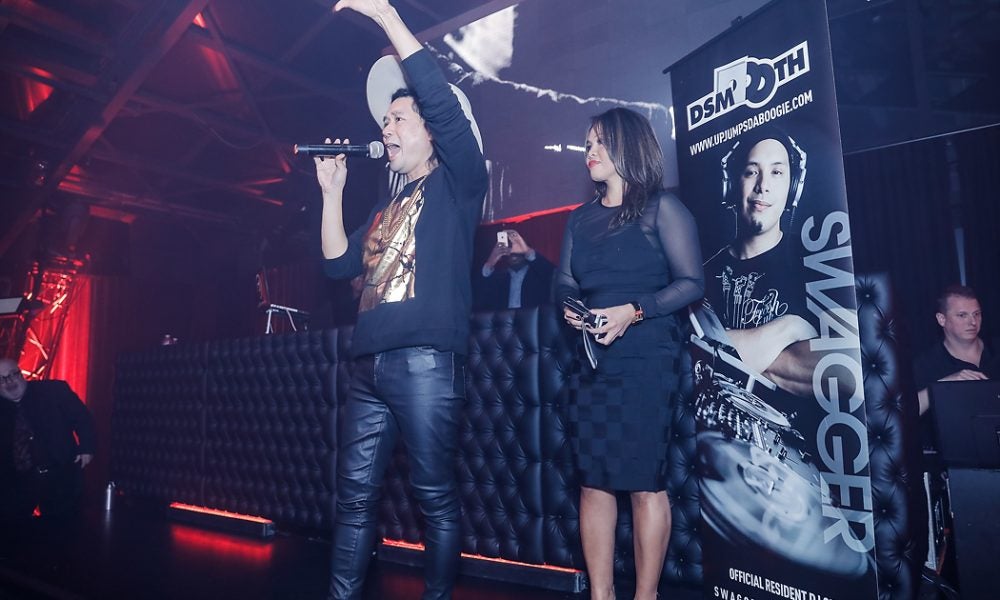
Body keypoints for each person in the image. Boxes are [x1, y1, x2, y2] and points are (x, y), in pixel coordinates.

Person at [316, 1, 488, 598]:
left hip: (426, 364)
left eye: (397, 118)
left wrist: (385, 15)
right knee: (354, 498)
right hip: (368, 367)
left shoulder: (458, 183)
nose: (384, 128)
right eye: (383, 120)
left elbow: (440, 102)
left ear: (431, 131)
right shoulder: (384, 208)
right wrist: (332, 194)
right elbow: (338, 265)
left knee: (434, 498)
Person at [554, 108, 704, 600]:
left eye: (600, 142)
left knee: (644, 481)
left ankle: (645, 596)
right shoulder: (580, 219)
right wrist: (571, 307)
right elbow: (564, 281)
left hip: (646, 358)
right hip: (591, 360)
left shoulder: (662, 209)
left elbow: (691, 283)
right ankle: (601, 595)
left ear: (628, 145)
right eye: (587, 144)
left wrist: (634, 311)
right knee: (593, 479)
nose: (590, 151)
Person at [702, 127, 818, 395]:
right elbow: (700, 362)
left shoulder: (814, 262)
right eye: (751, 171)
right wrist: (790, 328)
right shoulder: (703, 275)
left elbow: (842, 369)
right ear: (732, 185)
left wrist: (739, 354)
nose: (762, 185)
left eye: (776, 172)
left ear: (793, 187)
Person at [0, 358, 96, 522]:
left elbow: (82, 417)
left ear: (21, 374)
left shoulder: (53, 391)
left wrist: (87, 447)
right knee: (13, 531)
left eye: (12, 375)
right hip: (16, 483)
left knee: (63, 530)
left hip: (60, 476)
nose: (9, 382)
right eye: (2, 379)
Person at [913, 285, 996, 418]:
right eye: (962, 315)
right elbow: (908, 414)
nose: (973, 322)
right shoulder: (926, 364)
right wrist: (943, 387)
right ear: (942, 319)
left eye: (976, 314)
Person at [473, 229, 555, 310]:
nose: (513, 251)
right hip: (503, 318)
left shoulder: (538, 274)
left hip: (535, 318)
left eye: (517, 246)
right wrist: (491, 260)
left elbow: (553, 274)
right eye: (509, 246)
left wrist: (527, 250)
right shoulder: (498, 278)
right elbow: (478, 295)